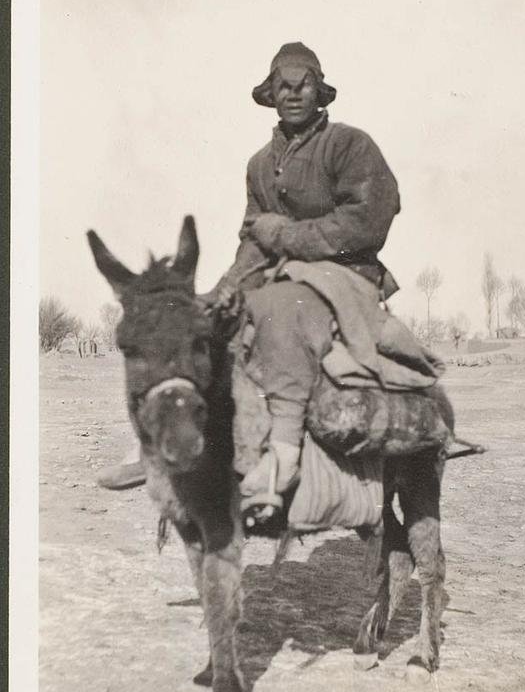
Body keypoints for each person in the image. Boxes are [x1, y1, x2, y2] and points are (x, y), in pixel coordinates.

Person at [97, 42, 401, 495]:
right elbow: (252, 240)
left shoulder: (349, 145)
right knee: (202, 320)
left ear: (320, 92)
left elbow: (370, 218)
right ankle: (159, 440)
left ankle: (284, 454)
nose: (294, 93)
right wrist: (223, 290)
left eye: (305, 84)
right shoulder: (260, 165)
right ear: (270, 95)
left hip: (346, 273)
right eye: (283, 85)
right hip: (280, 273)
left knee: (280, 309)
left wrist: (286, 236)